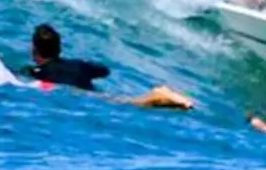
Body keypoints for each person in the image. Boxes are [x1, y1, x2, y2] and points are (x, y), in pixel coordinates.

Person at [26, 24, 198, 110]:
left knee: (133, 103)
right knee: (126, 100)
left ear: (35, 49)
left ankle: (158, 95)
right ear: (59, 48)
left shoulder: (38, 72)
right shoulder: (78, 64)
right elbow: (104, 70)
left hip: (91, 98)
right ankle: (167, 95)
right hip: (93, 92)